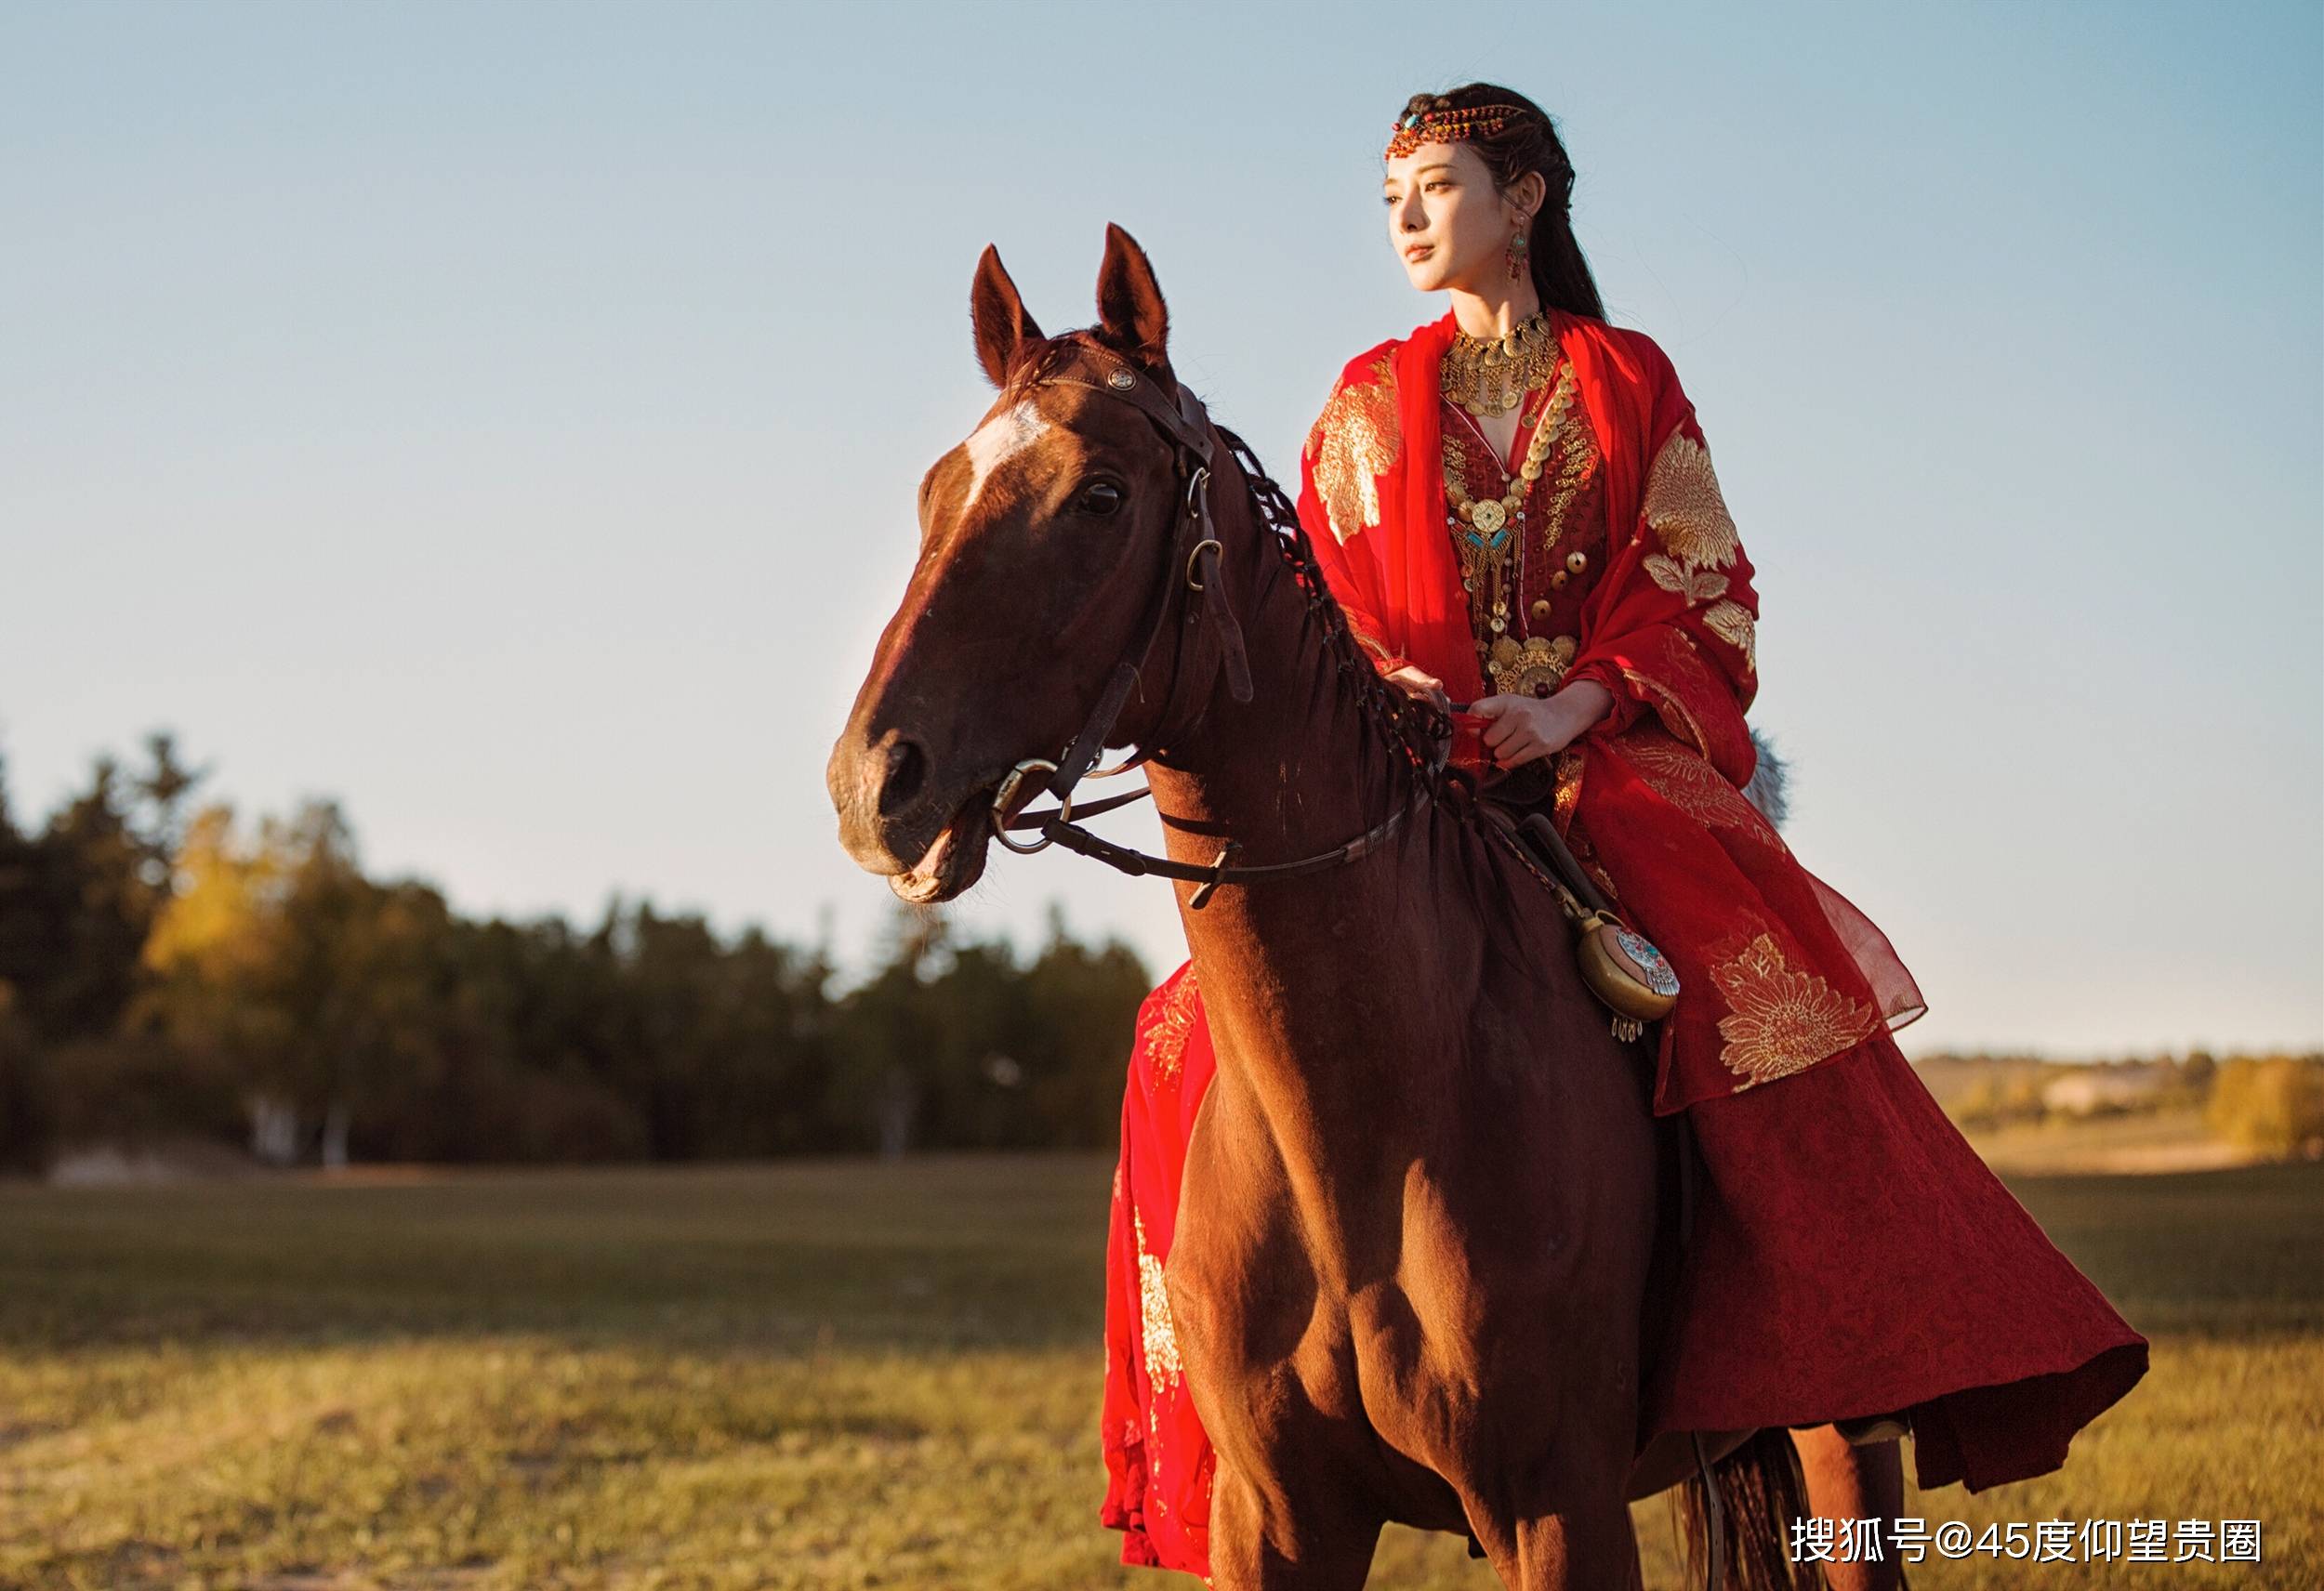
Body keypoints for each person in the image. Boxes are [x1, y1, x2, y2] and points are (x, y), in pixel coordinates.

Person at [1101, 84, 2148, 1586]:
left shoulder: (1625, 381)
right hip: (1415, 779)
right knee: (1180, 1034)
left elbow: (1703, 593)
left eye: (1436, 185)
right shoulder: (1353, 407)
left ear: (1524, 200)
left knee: (1743, 993)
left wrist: (1581, 703)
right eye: (1389, 193)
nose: (1405, 215)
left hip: (1600, 770)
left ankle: (1821, 1343)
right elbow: (1319, 608)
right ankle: (1213, 1387)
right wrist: (1385, 680)